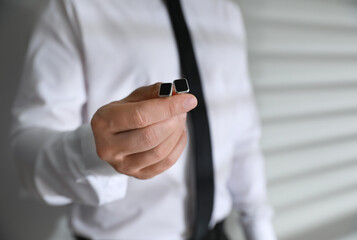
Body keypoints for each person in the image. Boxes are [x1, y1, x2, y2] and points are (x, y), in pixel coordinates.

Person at [11, 0, 277, 239]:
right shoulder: (75, 8)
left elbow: (243, 140)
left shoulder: (225, 13)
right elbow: (27, 155)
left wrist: (260, 231)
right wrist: (91, 151)